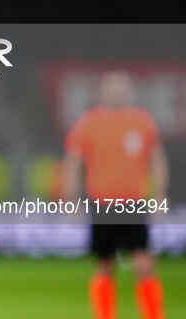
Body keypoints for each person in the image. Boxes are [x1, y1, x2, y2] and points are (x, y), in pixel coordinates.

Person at [64, 71, 169, 319]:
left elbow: (157, 161)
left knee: (144, 264)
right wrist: (71, 200)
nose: (117, 92)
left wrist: (160, 195)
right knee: (104, 265)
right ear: (103, 92)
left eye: (121, 88)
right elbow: (73, 163)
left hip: (133, 203)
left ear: (129, 92)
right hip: (102, 203)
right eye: (112, 88)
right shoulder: (89, 122)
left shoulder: (142, 121)